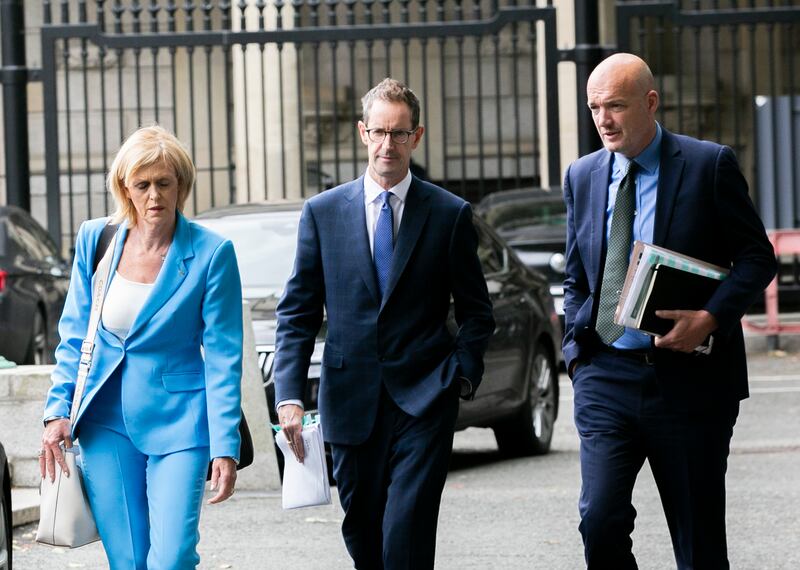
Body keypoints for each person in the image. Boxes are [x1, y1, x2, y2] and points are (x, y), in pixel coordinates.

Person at [562, 52, 777, 569]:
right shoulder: (583, 175)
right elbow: (576, 274)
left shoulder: (708, 165)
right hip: (607, 374)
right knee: (599, 521)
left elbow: (756, 259)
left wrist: (711, 319)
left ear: (650, 102)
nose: (604, 121)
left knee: (698, 542)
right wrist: (579, 352)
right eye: (595, 108)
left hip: (689, 382)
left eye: (615, 106)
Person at [274, 78, 495, 569]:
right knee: (364, 533)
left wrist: (460, 375)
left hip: (425, 398)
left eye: (399, 133)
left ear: (416, 136)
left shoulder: (449, 214)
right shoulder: (323, 213)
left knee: (406, 532)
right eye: (379, 132)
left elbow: (478, 312)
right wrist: (288, 395)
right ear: (363, 133)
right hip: (350, 404)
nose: (387, 144)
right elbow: (298, 312)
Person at [40, 125, 244, 569]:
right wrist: (57, 411)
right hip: (105, 424)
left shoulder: (212, 253)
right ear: (124, 188)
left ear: (181, 186)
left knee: (171, 558)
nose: (154, 196)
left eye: (164, 183)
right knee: (128, 559)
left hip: (180, 424)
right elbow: (75, 334)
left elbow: (225, 358)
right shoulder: (97, 240)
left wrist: (224, 445)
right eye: (143, 184)